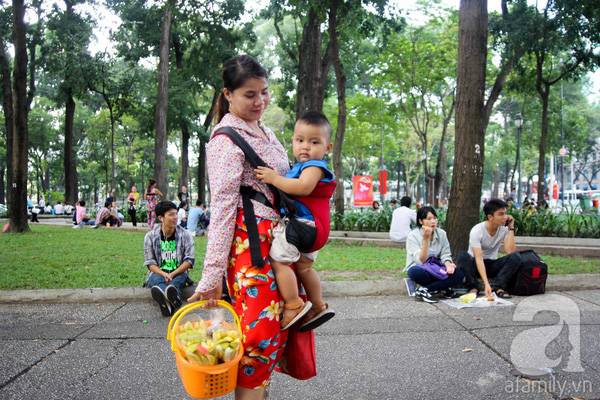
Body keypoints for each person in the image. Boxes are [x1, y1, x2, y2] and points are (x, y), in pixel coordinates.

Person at [187, 55, 300, 399]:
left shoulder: (266, 130)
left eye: (264, 93)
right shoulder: (226, 139)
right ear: (228, 94)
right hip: (249, 250)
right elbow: (221, 209)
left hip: (275, 246)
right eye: (250, 94)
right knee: (257, 342)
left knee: (271, 339)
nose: (260, 102)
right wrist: (211, 278)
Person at [254, 111, 336, 331]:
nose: (305, 147)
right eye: (300, 140)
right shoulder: (300, 167)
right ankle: (318, 305)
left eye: (314, 142)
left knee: (279, 261)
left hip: (304, 226)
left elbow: (303, 188)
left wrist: (274, 178)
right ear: (292, 141)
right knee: (304, 267)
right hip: (316, 229)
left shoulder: (314, 167)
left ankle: (293, 305)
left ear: (327, 148)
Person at [457, 198, 522, 299]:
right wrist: (486, 284)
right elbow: (478, 258)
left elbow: (510, 251)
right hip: (475, 265)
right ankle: (473, 287)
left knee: (516, 257)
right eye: (501, 214)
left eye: (505, 213)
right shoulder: (477, 230)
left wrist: (511, 228)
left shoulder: (504, 228)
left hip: (492, 264)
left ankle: (496, 286)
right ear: (490, 217)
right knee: (463, 256)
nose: (505, 217)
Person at [143, 201, 194, 317]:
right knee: (157, 280)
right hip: (158, 273)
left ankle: (167, 301)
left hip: (178, 273)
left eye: (176, 214)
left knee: (175, 284)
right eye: (171, 215)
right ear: (161, 218)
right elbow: (150, 263)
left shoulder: (185, 235)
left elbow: (189, 261)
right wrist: (164, 274)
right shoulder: (150, 236)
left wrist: (172, 274)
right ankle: (172, 300)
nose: (175, 217)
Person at [404, 206, 465, 303]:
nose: (433, 221)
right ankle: (443, 286)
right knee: (415, 272)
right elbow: (421, 261)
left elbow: (445, 254)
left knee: (459, 275)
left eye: (435, 218)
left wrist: (448, 264)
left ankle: (424, 289)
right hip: (421, 268)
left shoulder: (442, 233)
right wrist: (426, 239)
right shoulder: (413, 235)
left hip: (437, 269)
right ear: (421, 221)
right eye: (429, 219)